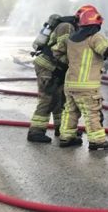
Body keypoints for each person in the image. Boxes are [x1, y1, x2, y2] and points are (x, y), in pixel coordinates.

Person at [53, 4, 108, 150]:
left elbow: (57, 52)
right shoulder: (95, 37)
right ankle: (97, 141)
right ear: (96, 23)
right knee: (92, 113)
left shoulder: (70, 39)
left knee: (70, 111)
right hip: (87, 86)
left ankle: (66, 138)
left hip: (70, 84)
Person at [27, 14, 76, 143]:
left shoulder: (68, 26)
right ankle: (36, 131)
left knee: (60, 98)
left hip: (55, 68)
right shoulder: (67, 27)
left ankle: (61, 127)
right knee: (47, 99)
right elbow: (65, 49)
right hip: (49, 67)